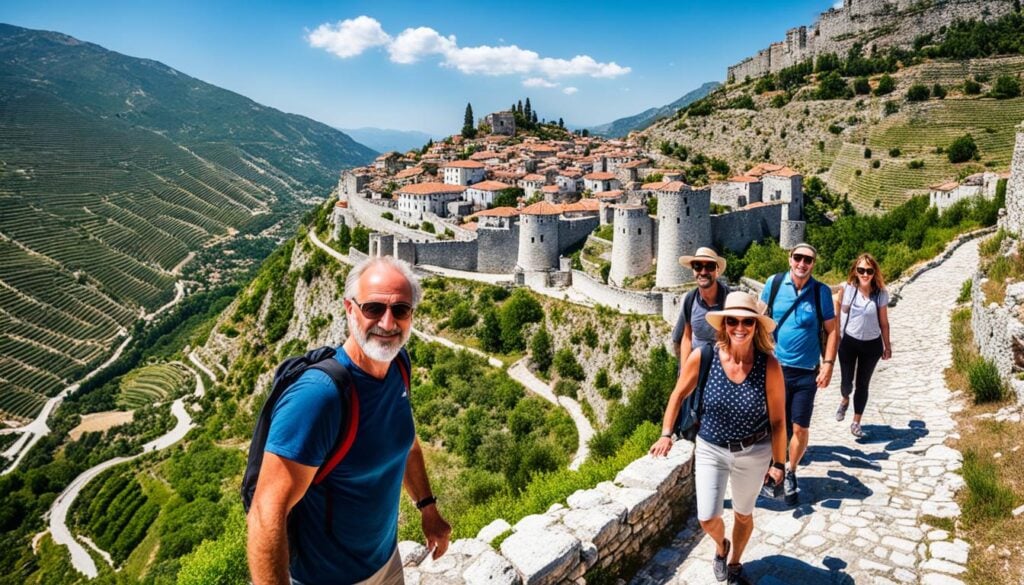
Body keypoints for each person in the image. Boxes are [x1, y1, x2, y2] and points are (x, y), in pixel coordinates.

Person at [247, 256, 451, 585]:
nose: (388, 322)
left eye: (401, 310)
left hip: (386, 565)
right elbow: (266, 512)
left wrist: (427, 507)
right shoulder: (318, 397)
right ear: (349, 309)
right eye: (373, 308)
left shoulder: (399, 366)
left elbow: (406, 443)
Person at [651, 292, 787, 585]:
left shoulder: (769, 366)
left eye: (747, 322)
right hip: (712, 448)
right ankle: (721, 546)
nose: (740, 327)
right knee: (707, 518)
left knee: (743, 514)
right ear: (724, 324)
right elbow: (678, 394)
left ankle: (735, 563)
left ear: (756, 326)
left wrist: (779, 463)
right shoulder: (706, 356)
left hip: (754, 452)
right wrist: (666, 433)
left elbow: (778, 420)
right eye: (733, 321)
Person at [760, 243, 838, 506]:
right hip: (776, 369)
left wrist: (828, 364)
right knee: (775, 423)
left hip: (806, 372)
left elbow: (832, 331)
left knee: (800, 427)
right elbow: (757, 317)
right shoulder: (774, 283)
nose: (802, 263)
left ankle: (791, 471)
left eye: (808, 260)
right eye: (798, 258)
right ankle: (775, 468)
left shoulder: (821, 292)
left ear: (813, 264)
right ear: (789, 258)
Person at [834, 253, 892, 438]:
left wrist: (887, 345)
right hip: (849, 342)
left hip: (872, 345)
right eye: (861, 270)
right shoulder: (848, 289)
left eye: (869, 271)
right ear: (855, 271)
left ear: (874, 272)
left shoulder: (880, 294)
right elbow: (835, 304)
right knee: (846, 382)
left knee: (863, 384)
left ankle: (856, 422)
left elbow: (884, 322)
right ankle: (844, 400)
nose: (865, 274)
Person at [672, 247, 731, 365]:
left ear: (717, 271)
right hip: (697, 367)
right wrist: (683, 371)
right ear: (693, 270)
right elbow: (685, 337)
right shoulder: (690, 299)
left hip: (724, 369)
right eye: (698, 266)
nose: (703, 272)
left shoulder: (730, 299)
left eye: (709, 266)